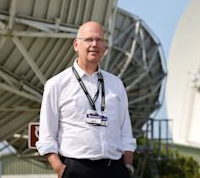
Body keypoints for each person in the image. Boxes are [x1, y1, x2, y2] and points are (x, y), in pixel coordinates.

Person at [36, 21, 136, 178]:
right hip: (77, 169)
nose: (94, 44)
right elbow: (47, 135)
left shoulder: (116, 84)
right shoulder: (57, 84)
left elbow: (126, 131)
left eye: (99, 40)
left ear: (104, 47)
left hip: (115, 169)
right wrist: (60, 169)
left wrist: (127, 166)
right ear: (76, 45)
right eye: (89, 39)